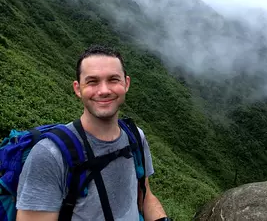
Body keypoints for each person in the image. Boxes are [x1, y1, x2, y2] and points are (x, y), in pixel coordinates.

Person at [16, 45, 169, 221]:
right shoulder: (49, 156)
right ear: (77, 89)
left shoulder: (135, 136)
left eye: (113, 79)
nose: (104, 90)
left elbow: (145, 196)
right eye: (92, 81)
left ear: (126, 84)